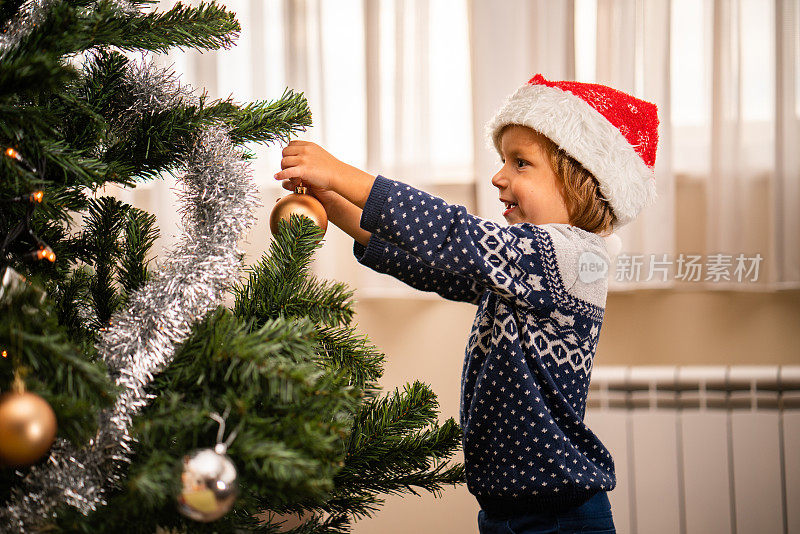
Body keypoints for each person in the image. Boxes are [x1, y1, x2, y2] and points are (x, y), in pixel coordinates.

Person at [275, 73, 659, 534]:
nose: (498, 176)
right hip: (507, 511)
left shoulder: (571, 257)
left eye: (520, 164)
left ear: (581, 182)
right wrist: (333, 203)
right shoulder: (523, 270)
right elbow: (434, 265)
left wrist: (344, 176)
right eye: (503, 161)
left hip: (557, 516)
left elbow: (453, 234)